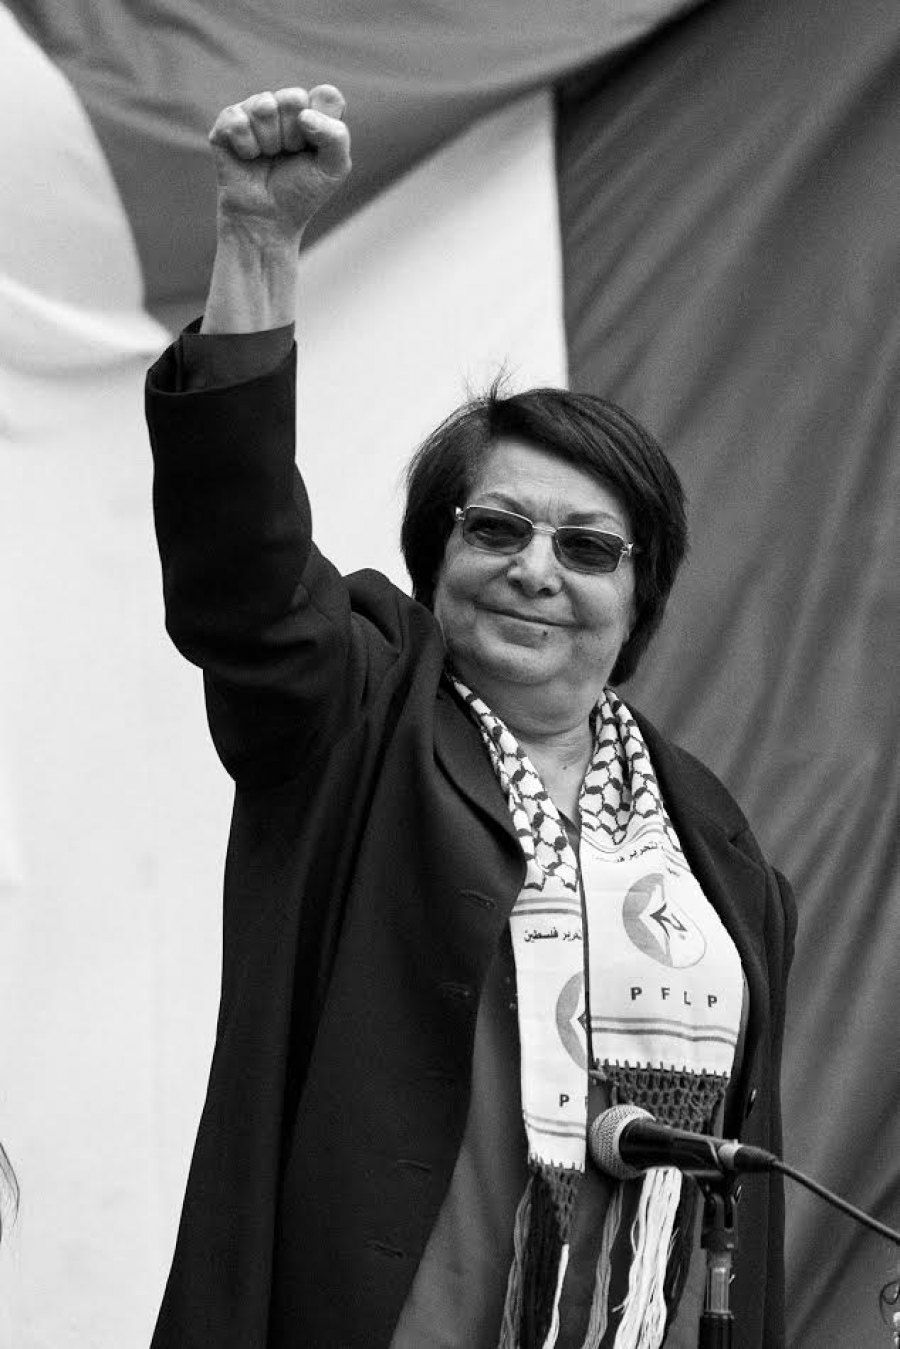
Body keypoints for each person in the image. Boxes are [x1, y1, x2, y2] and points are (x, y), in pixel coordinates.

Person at [146, 85, 796, 1349]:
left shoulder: (713, 840)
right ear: (436, 557)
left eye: (587, 547)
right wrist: (258, 242)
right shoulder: (357, 711)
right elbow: (242, 573)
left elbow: (745, 1168)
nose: (536, 569)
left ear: (640, 597)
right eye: (496, 528)